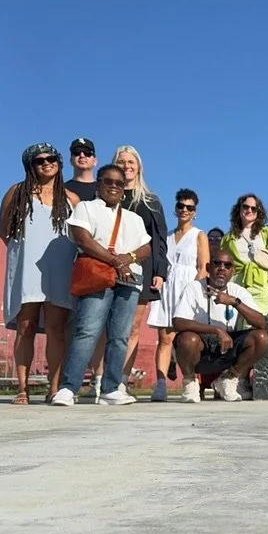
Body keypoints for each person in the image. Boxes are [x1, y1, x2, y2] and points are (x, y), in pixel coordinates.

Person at [50, 164, 151, 407]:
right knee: (87, 331)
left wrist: (129, 259)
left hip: (128, 280)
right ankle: (68, 388)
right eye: (108, 181)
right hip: (98, 277)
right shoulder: (86, 208)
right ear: (99, 184)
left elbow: (146, 247)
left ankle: (111, 388)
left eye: (119, 183)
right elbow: (83, 239)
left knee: (120, 337)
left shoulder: (134, 218)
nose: (114, 187)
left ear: (124, 189)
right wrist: (117, 261)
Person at [0, 143, 79, 404]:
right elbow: (3, 231)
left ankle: (54, 388)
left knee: (56, 328)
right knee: (26, 325)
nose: (46, 163)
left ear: (59, 161)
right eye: (38, 160)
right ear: (29, 166)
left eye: (51, 158)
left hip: (60, 267)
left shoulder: (71, 198)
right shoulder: (17, 192)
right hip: (27, 266)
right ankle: (22, 389)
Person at [173, 254, 268, 403]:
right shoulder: (193, 287)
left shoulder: (238, 291)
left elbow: (261, 323)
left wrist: (234, 302)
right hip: (200, 348)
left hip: (226, 348)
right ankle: (189, 382)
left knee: (261, 338)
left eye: (227, 265)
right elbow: (178, 322)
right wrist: (216, 330)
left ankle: (228, 379)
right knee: (187, 339)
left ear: (233, 271)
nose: (221, 268)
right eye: (217, 263)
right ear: (208, 267)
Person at [110, 145, 168, 389]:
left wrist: (160, 272)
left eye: (131, 162)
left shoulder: (151, 201)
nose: (126, 166)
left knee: (132, 327)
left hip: (141, 269)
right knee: (108, 326)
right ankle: (104, 378)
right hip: (110, 265)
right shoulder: (107, 196)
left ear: (139, 167)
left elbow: (159, 240)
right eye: (121, 162)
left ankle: (121, 380)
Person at [147, 188, 208, 401]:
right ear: (175, 209)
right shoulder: (167, 236)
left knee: (187, 339)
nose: (184, 210)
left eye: (189, 207)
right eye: (181, 206)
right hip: (168, 287)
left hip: (187, 289)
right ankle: (161, 383)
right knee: (164, 338)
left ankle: (191, 383)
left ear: (195, 212)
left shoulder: (199, 235)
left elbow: (202, 267)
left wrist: (194, 295)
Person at [220, 194, 268, 315]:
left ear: (258, 212)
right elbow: (222, 263)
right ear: (239, 209)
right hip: (235, 286)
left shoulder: (267, 233)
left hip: (260, 286)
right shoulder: (228, 238)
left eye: (254, 208)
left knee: (253, 325)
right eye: (245, 207)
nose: (249, 210)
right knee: (235, 327)